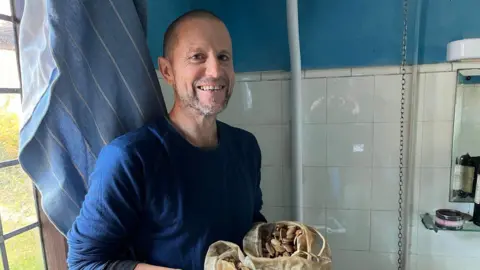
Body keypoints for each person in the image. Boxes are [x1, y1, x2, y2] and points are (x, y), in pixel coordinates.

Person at [66, 9, 267, 270]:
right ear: (167, 70)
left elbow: (251, 225)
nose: (216, 70)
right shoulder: (129, 158)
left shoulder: (246, 147)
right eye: (197, 57)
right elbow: (84, 262)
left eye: (223, 57)